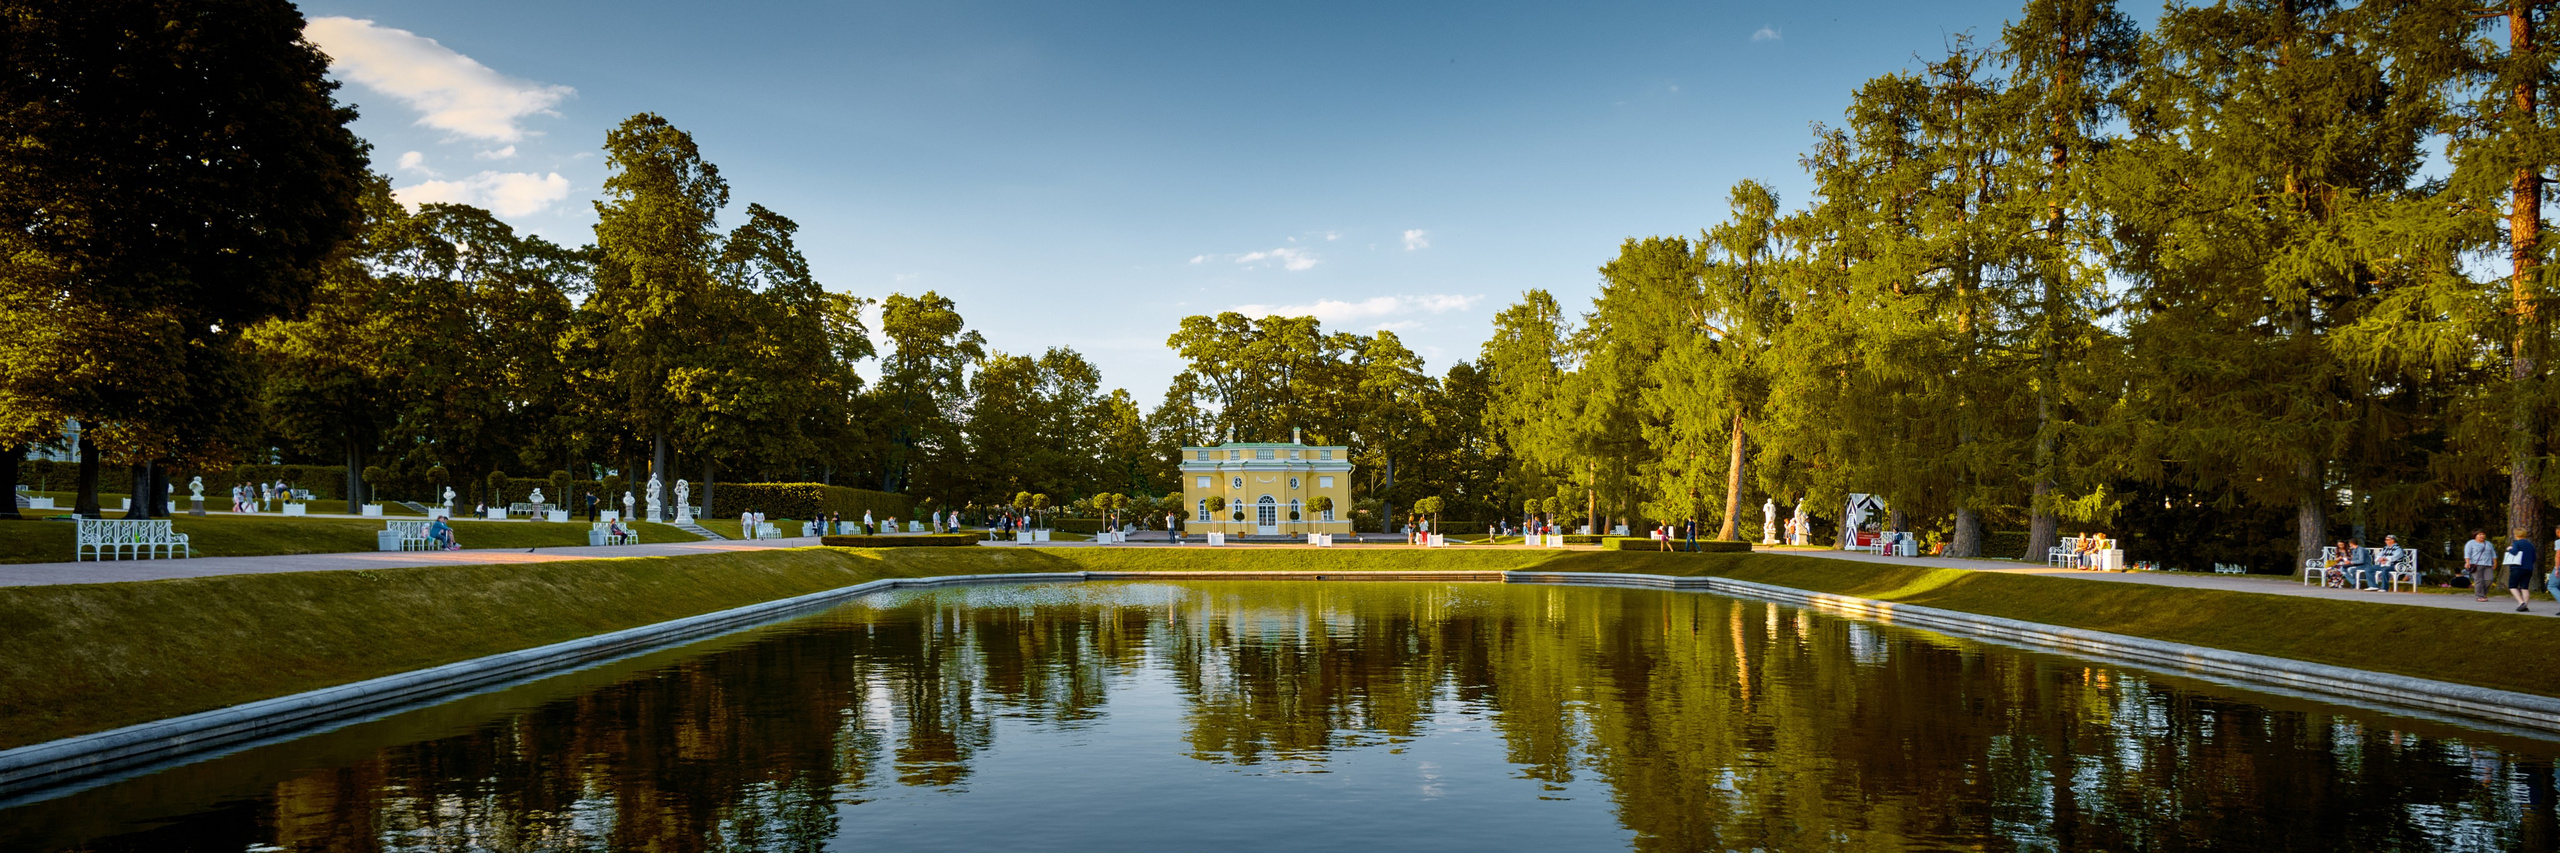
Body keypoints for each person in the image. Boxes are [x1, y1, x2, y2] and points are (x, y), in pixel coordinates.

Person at [2507, 528, 2538, 612]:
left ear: (2516, 535)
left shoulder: (2516, 543)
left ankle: (2521, 602)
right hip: (2528, 568)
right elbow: (2534, 558)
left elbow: (2514, 552)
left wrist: (2509, 549)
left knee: (2512, 586)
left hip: (2517, 567)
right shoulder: (2530, 545)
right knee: (2524, 587)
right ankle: (2526, 605)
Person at [2465, 529, 2499, 602]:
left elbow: (2493, 553)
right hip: (2476, 564)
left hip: (2488, 564)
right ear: (2475, 535)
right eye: (2480, 534)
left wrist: (2495, 562)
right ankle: (2479, 596)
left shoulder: (2488, 543)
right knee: (2479, 580)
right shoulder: (2471, 543)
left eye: (2483, 534)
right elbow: (2467, 553)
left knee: (2490, 579)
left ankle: (2482, 593)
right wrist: (2467, 562)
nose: (2482, 536)